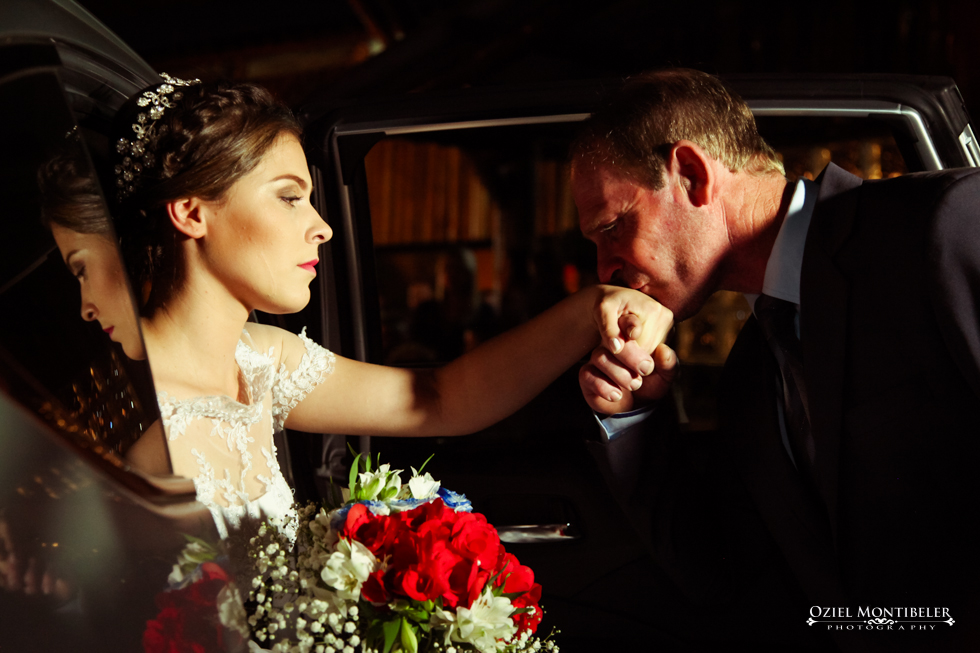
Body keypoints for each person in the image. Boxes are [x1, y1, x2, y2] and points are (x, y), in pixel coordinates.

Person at [108, 75, 673, 540]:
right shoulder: (109, 391)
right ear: (191, 212)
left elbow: (437, 398)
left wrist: (594, 308)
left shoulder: (265, 361)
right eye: (289, 198)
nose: (322, 228)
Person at [573, 68, 980, 651]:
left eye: (614, 227)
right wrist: (633, 416)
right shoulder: (751, 378)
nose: (604, 268)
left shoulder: (947, 224)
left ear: (691, 175)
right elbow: (723, 577)